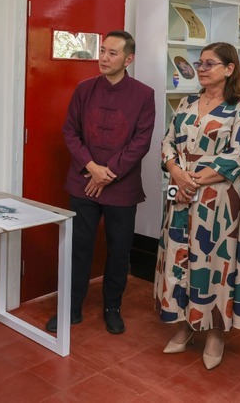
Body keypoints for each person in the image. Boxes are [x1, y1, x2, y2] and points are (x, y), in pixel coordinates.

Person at [46, 30, 155, 335]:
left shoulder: (144, 94)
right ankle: (71, 308)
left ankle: (112, 308)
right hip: (84, 182)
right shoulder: (84, 89)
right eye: (103, 51)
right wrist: (92, 168)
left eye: (112, 53)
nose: (104, 58)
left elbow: (141, 141)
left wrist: (108, 174)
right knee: (78, 248)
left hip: (121, 186)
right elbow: (70, 132)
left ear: (128, 59)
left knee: (119, 249)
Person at [155, 41, 240, 370]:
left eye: (209, 63)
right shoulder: (186, 102)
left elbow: (237, 156)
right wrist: (176, 172)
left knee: (213, 264)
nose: (201, 68)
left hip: (218, 201)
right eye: (199, 63)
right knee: (180, 259)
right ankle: (184, 325)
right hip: (181, 196)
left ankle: (215, 332)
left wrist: (191, 181)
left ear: (229, 69)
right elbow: (168, 141)